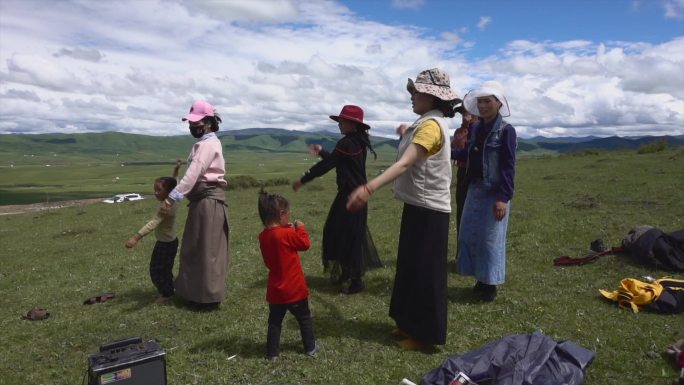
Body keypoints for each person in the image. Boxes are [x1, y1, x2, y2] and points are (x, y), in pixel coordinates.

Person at [347, 68, 460, 350]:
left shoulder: (431, 126)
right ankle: (408, 323)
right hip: (418, 206)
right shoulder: (425, 123)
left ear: (432, 97)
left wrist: (369, 188)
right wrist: (403, 133)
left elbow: (407, 163)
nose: (412, 97)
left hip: (430, 210)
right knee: (410, 267)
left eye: (417, 93)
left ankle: (425, 336)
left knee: (425, 272)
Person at [292, 105, 381, 294]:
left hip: (350, 196)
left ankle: (356, 280)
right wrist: (323, 151)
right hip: (357, 194)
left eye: (343, 121)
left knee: (346, 235)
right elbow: (337, 159)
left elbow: (328, 165)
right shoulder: (357, 141)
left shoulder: (347, 143)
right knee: (344, 233)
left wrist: (303, 179)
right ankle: (347, 273)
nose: (340, 124)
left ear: (353, 124)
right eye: (339, 121)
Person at [160, 100, 229, 310]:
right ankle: (195, 293)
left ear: (208, 122)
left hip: (208, 202)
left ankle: (206, 298)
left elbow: (193, 174)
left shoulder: (207, 146)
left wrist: (172, 197)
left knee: (206, 250)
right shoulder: (206, 144)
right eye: (190, 123)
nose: (192, 127)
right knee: (198, 247)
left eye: (196, 123)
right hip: (203, 201)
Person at [453, 81, 517, 302]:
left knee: (490, 239)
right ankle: (479, 279)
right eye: (480, 101)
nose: (482, 106)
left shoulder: (507, 131)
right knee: (470, 235)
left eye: (487, 101)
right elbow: (470, 156)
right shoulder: (476, 128)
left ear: (499, 103)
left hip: (494, 191)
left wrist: (503, 198)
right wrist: (446, 151)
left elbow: (508, 166)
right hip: (474, 187)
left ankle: (490, 286)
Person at [257, 189, 319, 361]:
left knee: (275, 323)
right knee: (304, 319)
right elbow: (305, 244)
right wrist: (301, 228)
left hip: (276, 291)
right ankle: (310, 348)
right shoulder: (287, 233)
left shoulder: (263, 236)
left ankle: (272, 353)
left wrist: (289, 230)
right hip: (295, 289)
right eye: (288, 215)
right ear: (281, 213)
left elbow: (272, 256)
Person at [125, 160, 182, 302]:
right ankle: (170, 290)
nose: (155, 193)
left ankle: (167, 294)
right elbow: (176, 181)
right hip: (171, 241)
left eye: (158, 190)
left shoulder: (166, 207)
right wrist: (176, 170)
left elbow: (153, 223)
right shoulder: (175, 196)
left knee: (156, 271)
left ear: (168, 191)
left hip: (165, 244)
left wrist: (136, 238)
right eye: (154, 189)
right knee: (165, 269)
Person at [451, 107, 476, 248]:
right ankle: (461, 253)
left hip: (475, 173)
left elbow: (469, 151)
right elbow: (458, 147)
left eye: (467, 112)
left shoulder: (480, 129)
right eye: (463, 112)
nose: (464, 115)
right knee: (461, 211)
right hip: (462, 172)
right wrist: (466, 126)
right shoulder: (459, 132)